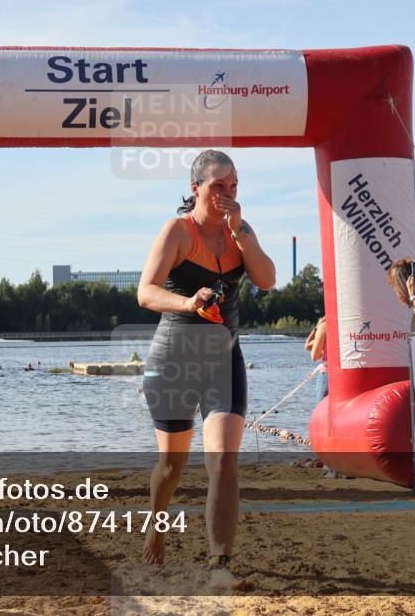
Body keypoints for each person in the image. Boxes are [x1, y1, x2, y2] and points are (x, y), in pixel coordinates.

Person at [137, 149, 276, 590]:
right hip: (175, 358)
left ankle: (219, 566)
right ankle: (157, 522)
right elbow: (146, 292)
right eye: (218, 186)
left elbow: (268, 279)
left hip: (223, 358)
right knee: (171, 467)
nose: (227, 195)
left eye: (233, 186)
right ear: (196, 187)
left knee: (222, 461)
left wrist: (243, 237)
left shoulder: (241, 231)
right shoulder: (177, 230)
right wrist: (188, 302)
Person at [304, 316, 328, 397]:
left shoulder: (325, 326)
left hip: (328, 374)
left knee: (323, 408)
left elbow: (314, 355)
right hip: (347, 373)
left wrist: (317, 327)